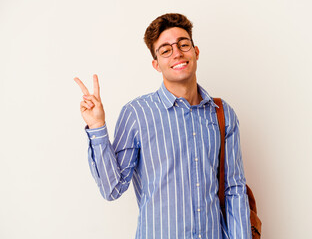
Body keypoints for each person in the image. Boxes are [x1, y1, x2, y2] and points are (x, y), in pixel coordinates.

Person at [75, 13, 251, 239]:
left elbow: (234, 190)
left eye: (183, 44)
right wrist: (97, 126)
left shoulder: (222, 113)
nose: (177, 53)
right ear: (156, 64)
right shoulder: (137, 114)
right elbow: (112, 189)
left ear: (196, 52)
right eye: (165, 50)